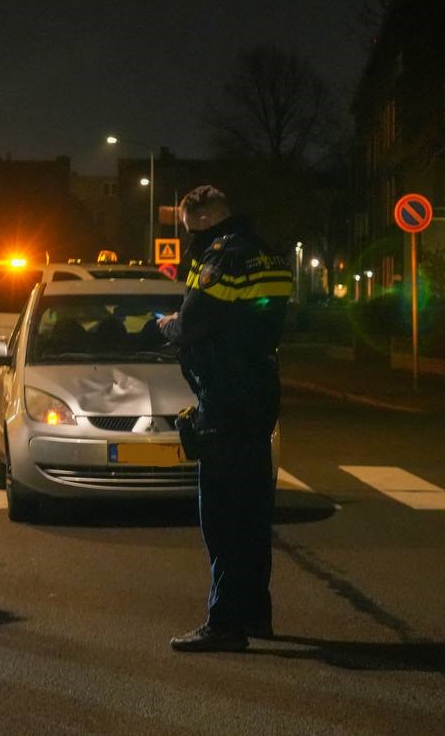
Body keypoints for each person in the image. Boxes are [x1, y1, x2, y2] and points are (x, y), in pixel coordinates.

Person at [156, 185, 293, 652]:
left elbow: (193, 324)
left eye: (187, 229)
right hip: (259, 394)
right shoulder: (268, 254)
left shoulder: (219, 259)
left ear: (199, 222)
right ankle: (256, 613)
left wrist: (167, 325)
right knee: (253, 514)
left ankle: (225, 623)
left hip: (225, 398)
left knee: (222, 516)